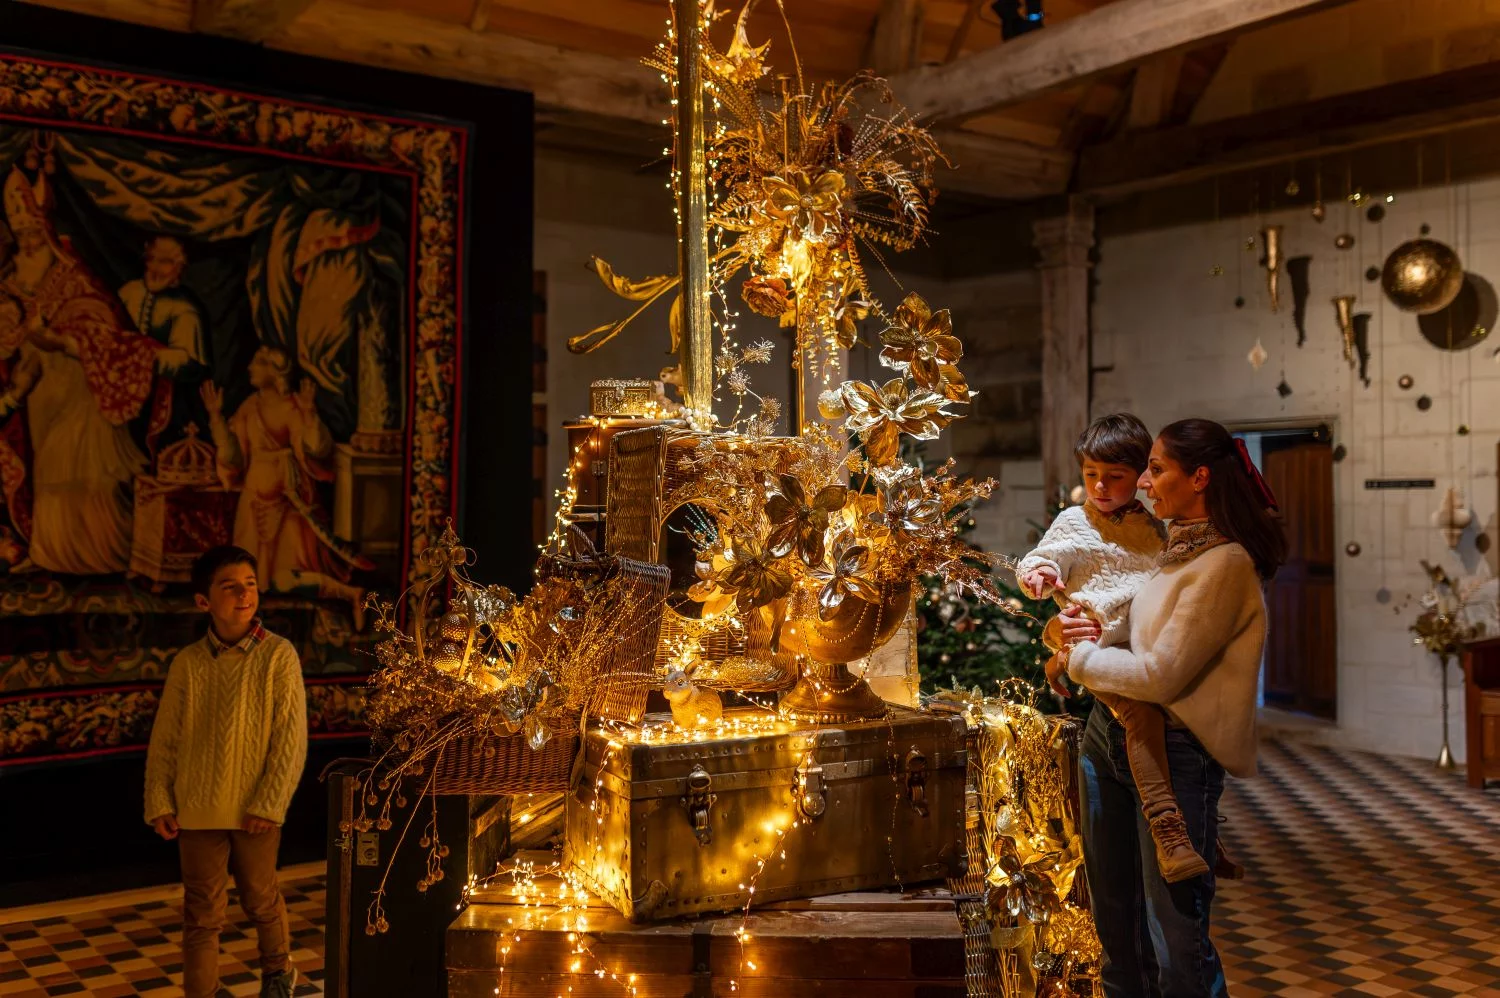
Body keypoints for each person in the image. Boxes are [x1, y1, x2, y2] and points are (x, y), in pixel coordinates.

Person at [1058, 418, 1286, 998]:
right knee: (1116, 927)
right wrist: (1070, 634)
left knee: (1176, 941)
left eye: (1156, 469)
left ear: (1200, 477)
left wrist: (1081, 659)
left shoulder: (1224, 565)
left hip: (1177, 754)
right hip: (1108, 737)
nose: (1143, 484)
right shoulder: (1175, 553)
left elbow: (1159, 676)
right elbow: (1128, 637)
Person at [1015, 414, 1210, 883]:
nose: (1100, 486)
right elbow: (1040, 560)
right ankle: (1170, 833)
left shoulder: (1153, 525)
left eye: (1114, 477)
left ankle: (1205, 831)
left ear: (1142, 474)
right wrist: (1038, 578)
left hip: (1144, 644)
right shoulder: (1073, 522)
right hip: (1100, 644)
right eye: (1090, 475)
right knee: (1140, 715)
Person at [144, 544, 306, 998]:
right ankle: (203, 992)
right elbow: (166, 740)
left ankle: (277, 975)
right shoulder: (188, 664)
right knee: (201, 914)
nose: (243, 594)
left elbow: (289, 741)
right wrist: (159, 799)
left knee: (260, 898)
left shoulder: (278, 656)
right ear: (204, 602)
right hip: (196, 810)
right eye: (229, 586)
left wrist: (270, 804)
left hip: (255, 809)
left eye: (250, 584)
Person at [0, 162, 169, 575]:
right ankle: (48, 555)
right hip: (42, 392)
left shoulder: (73, 275)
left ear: (47, 232)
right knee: (48, 475)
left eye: (33, 235)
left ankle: (105, 555)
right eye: (20, 236)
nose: (26, 244)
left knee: (81, 471)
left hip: (82, 388)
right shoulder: (11, 281)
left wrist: (58, 340)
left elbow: (102, 328)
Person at [202, 345, 370, 627]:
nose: (250, 369)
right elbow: (233, 455)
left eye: (257, 363)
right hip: (254, 501)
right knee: (251, 577)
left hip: (290, 500)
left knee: (283, 578)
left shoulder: (293, 405)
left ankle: (350, 595)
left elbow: (316, 450)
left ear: (274, 370)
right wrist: (216, 418)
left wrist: (308, 416)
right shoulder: (249, 407)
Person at [118, 234, 212, 447]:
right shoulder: (128, 292)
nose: (155, 268)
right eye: (152, 259)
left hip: (169, 399)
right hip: (124, 390)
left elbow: (190, 361)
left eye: (165, 262)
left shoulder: (185, 309)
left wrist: (143, 356)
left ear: (179, 269)